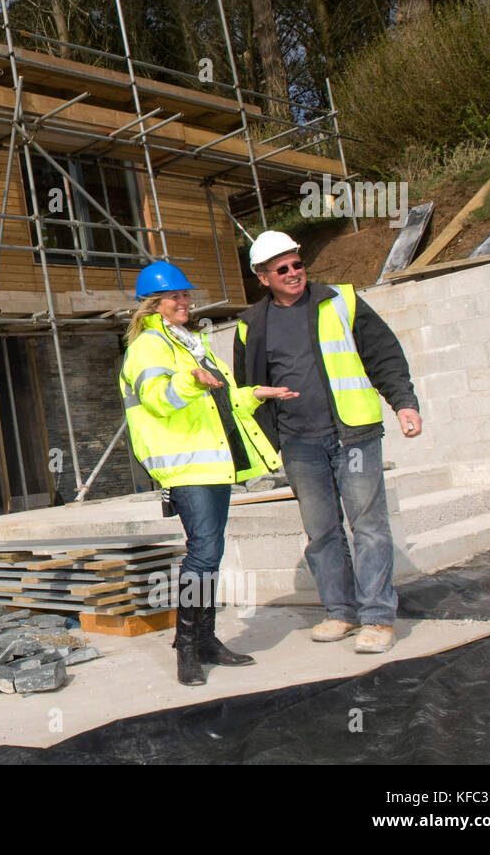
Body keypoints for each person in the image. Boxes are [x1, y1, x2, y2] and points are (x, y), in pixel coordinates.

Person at [234, 231, 421, 655]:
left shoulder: (342, 300)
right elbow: (249, 388)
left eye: (297, 263)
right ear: (263, 277)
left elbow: (384, 355)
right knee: (321, 532)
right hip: (299, 442)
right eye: (281, 269)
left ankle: (377, 617)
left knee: (369, 527)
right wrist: (269, 442)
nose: (293, 272)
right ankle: (340, 611)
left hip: (353, 433)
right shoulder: (249, 325)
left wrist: (404, 403)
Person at [122, 260, 298, 685]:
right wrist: (191, 382)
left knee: (210, 554)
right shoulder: (148, 347)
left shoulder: (191, 344)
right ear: (153, 306)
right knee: (201, 554)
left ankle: (206, 640)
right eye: (176, 296)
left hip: (212, 463)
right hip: (185, 466)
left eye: (186, 295)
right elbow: (159, 399)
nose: (185, 301)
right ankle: (186, 648)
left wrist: (255, 393)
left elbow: (223, 400)